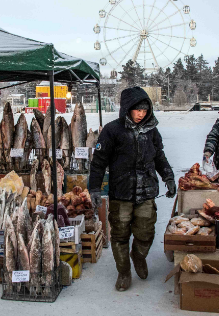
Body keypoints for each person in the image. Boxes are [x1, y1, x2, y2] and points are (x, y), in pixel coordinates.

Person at [89, 86, 176, 292]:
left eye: (145, 110)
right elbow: (99, 163)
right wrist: (94, 188)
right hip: (121, 193)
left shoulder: (152, 131)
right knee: (120, 235)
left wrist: (169, 177)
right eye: (137, 110)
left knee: (146, 232)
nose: (141, 114)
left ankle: (138, 257)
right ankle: (124, 272)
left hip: (146, 192)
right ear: (127, 109)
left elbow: (159, 157)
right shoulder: (112, 131)